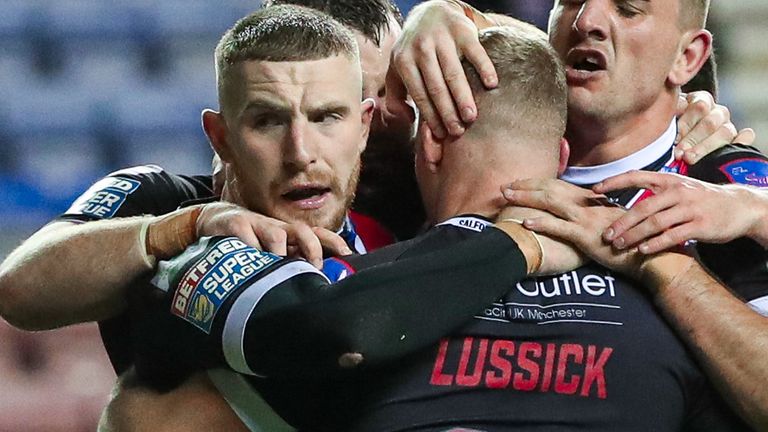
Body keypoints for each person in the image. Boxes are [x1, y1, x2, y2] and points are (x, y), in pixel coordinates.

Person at [133, 23, 745, 430]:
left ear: (427, 149)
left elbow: (150, 409)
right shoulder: (677, 294)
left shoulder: (336, 278)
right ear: (561, 157)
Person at [384, 0, 768, 427]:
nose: (586, 21)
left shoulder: (723, 195)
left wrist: (663, 268)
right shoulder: (464, 140)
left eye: (627, 9)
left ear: (687, 57)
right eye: (568, 1)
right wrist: (437, 12)